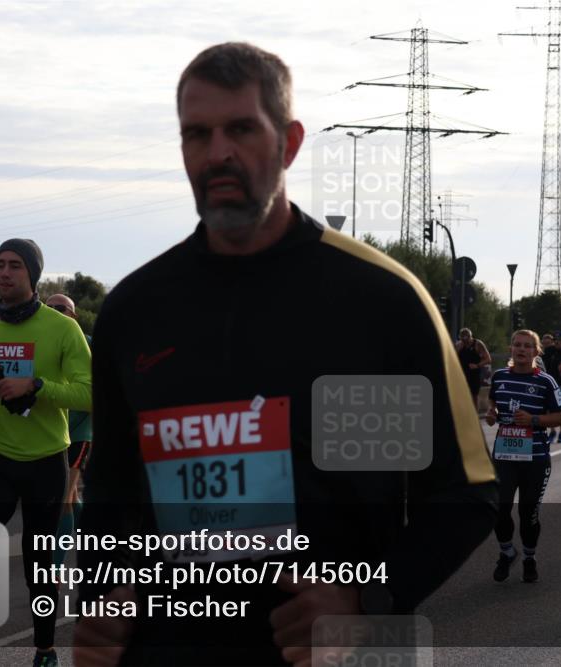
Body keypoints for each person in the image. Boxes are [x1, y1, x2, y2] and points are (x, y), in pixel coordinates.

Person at [75, 42, 498, 667]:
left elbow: (465, 495)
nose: (218, 151)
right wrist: (102, 605)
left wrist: (364, 599)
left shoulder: (379, 301)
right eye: (197, 134)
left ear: (290, 143)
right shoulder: (135, 311)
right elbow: (111, 494)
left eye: (241, 128)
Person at [0, 240, 92, 667]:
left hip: (45, 459)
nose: (4, 273)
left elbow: (90, 393)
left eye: (15, 266)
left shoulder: (62, 329)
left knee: (39, 565)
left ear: (33, 275)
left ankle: (44, 650)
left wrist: (36, 386)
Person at [486, 330, 561, 584]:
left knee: (528, 512)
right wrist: (492, 414)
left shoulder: (545, 381)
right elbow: (494, 404)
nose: (521, 350)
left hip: (535, 458)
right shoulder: (499, 377)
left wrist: (533, 419)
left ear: (535, 352)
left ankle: (529, 558)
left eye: (527, 346)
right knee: (499, 509)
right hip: (504, 456)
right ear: (511, 348)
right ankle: (507, 552)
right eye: (516, 345)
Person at [44, 293, 93, 569]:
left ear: (73, 315)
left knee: (63, 498)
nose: (52, 311)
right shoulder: (43, 344)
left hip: (79, 434)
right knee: (71, 498)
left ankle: (55, 567)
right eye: (47, 308)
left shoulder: (86, 344)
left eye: (60, 308)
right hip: (52, 434)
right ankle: (105, 545)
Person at [457, 327, 492, 410]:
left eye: (467, 340)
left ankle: (475, 417)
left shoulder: (477, 344)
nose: (466, 343)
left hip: (474, 374)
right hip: (462, 374)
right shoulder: (459, 345)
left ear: (470, 337)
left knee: (473, 396)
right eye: (463, 340)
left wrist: (477, 365)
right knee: (461, 396)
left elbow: (488, 359)